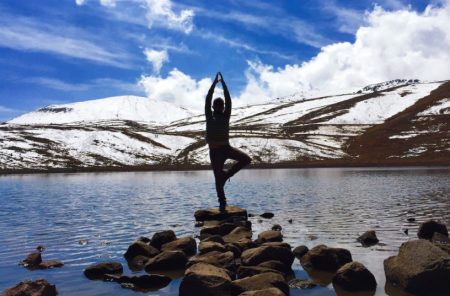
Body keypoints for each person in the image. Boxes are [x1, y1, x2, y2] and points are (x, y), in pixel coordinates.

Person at [205, 72, 251, 210]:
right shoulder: (209, 116)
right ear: (213, 107)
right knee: (217, 179)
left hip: (226, 148)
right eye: (217, 106)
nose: (219, 107)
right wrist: (214, 84)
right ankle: (222, 203)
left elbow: (229, 100)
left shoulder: (226, 116)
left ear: (223, 107)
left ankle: (227, 175)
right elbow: (208, 99)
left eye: (221, 106)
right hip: (215, 152)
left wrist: (223, 84)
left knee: (246, 159)